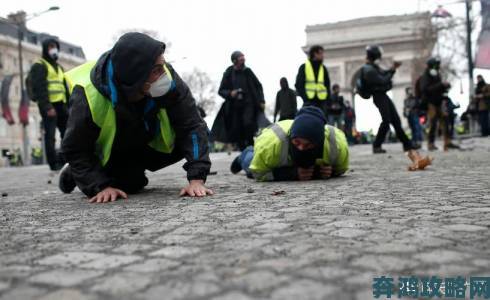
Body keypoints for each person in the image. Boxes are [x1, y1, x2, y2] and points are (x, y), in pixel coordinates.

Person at [59, 32, 213, 203]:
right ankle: (79, 171)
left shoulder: (168, 78)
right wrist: (99, 186)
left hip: (145, 139)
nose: (164, 73)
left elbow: (191, 125)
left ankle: (103, 171)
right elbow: (75, 148)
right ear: (136, 77)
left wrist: (196, 179)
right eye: (156, 70)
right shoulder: (87, 95)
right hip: (114, 148)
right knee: (127, 184)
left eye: (163, 65)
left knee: (201, 132)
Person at [230, 106, 349, 181]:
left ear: (319, 142)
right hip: (265, 147)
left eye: (308, 145)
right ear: (291, 136)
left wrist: (332, 171)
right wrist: (290, 174)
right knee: (250, 161)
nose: (301, 148)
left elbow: (342, 168)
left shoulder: (337, 144)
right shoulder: (270, 145)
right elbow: (257, 172)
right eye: (297, 142)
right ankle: (243, 155)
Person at [360, 45, 431, 170]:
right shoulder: (368, 70)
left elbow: (384, 74)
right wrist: (392, 71)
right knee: (386, 120)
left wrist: (392, 68)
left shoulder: (372, 67)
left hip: (383, 95)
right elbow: (382, 80)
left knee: (396, 121)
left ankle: (407, 145)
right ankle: (377, 145)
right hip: (379, 96)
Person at [28, 38, 69, 171]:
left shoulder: (59, 67)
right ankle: (53, 163)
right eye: (51, 46)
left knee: (67, 133)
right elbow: (40, 88)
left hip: (62, 105)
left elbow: (64, 88)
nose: (53, 49)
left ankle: (65, 160)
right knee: (50, 135)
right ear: (45, 49)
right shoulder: (40, 65)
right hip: (49, 105)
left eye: (55, 46)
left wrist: (69, 105)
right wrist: (47, 106)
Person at [214, 51, 265, 150]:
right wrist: (230, 93)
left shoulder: (248, 71)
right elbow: (221, 91)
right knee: (237, 129)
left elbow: (258, 86)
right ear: (234, 61)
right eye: (241, 58)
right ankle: (243, 150)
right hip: (234, 106)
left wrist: (262, 100)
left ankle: (251, 146)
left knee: (248, 124)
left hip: (249, 104)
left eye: (243, 58)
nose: (243, 60)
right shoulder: (229, 73)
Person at [419, 57, 458, 151]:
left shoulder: (437, 75)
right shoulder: (425, 76)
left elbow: (439, 87)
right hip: (430, 103)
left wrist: (445, 86)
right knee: (433, 122)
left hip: (438, 101)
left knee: (445, 120)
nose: (438, 67)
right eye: (436, 65)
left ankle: (447, 141)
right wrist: (440, 85)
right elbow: (425, 89)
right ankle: (430, 143)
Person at [295, 45, 331, 115]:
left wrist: (327, 100)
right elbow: (298, 84)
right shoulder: (303, 67)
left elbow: (327, 85)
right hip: (309, 101)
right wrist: (305, 98)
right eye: (321, 53)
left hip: (322, 102)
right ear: (315, 54)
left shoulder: (323, 69)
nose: (323, 56)